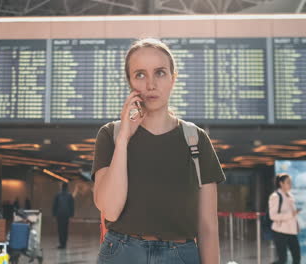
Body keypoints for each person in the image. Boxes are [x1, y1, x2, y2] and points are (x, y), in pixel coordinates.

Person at [92, 38, 225, 264]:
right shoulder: (111, 135)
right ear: (130, 82)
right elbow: (111, 211)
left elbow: (208, 227)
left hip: (180, 254)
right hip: (122, 252)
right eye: (140, 75)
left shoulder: (196, 139)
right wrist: (124, 138)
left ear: (173, 79)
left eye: (160, 73)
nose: (151, 84)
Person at [269, 173, 301, 264]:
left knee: (297, 257)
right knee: (282, 260)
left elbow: (292, 215)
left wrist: (296, 225)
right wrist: (291, 214)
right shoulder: (275, 196)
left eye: (290, 182)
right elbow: (273, 216)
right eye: (288, 182)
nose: (290, 184)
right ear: (281, 183)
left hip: (291, 232)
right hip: (280, 232)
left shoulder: (290, 196)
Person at [52, 182, 74, 249]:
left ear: (62, 187)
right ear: (67, 187)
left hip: (59, 215)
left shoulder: (58, 195)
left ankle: (61, 243)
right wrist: (71, 215)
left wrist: (54, 214)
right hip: (66, 215)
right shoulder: (69, 195)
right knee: (65, 229)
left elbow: (54, 205)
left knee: (60, 229)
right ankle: (64, 243)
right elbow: (72, 206)